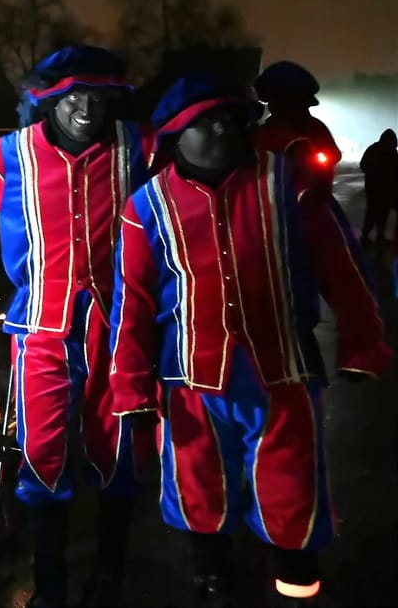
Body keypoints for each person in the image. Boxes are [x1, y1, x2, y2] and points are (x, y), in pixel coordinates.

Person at [108, 73, 392, 608]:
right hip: (190, 377)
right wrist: (130, 389)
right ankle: (212, 576)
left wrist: (362, 344)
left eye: (232, 117)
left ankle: (296, 578)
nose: (225, 128)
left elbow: (344, 270)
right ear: (176, 135)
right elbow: (135, 304)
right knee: (198, 483)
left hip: (282, 371)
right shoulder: (145, 208)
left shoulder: (289, 187)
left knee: (290, 482)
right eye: (208, 120)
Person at [0, 45, 155, 608]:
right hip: (41, 327)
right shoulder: (10, 155)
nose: (85, 108)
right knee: (43, 451)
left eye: (97, 98)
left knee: (115, 444)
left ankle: (109, 572)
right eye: (74, 96)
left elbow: (195, 164)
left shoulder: (136, 148)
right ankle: (50, 585)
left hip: (115, 326)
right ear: (49, 99)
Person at [253, 60, 341, 196]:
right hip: (271, 204)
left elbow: (332, 154)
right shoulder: (263, 132)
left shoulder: (315, 129)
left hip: (310, 204)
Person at [359, 128, 398, 242]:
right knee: (374, 213)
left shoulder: (383, 151)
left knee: (380, 213)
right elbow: (364, 165)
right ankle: (367, 237)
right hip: (376, 188)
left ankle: (377, 237)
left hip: (386, 188)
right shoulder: (375, 150)